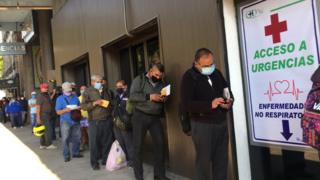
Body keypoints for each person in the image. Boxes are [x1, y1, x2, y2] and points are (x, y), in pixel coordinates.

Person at [180, 48, 233, 180]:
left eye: (212, 64)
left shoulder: (217, 73)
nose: (210, 67)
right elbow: (187, 104)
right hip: (202, 125)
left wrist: (229, 102)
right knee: (203, 164)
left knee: (221, 162)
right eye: (206, 66)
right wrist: (210, 104)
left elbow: (227, 91)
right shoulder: (189, 77)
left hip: (220, 123)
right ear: (196, 63)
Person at [129, 61, 169, 180]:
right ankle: (139, 176)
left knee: (160, 145)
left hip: (155, 117)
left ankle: (159, 175)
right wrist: (150, 96)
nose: (158, 77)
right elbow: (132, 96)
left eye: (160, 75)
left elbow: (166, 97)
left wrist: (164, 98)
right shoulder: (139, 80)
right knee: (138, 147)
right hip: (140, 116)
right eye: (156, 75)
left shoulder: (162, 83)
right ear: (150, 71)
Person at [81, 75, 114, 170]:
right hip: (95, 121)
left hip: (107, 119)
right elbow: (83, 106)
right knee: (94, 143)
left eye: (101, 81)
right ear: (92, 82)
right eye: (98, 82)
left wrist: (109, 106)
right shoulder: (87, 91)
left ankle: (105, 159)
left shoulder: (106, 90)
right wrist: (94, 103)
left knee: (107, 141)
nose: (100, 83)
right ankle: (94, 163)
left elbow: (111, 103)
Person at [56, 82, 83, 162]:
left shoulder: (75, 97)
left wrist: (78, 108)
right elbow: (58, 112)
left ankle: (76, 152)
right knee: (65, 138)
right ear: (63, 90)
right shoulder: (60, 99)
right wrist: (65, 110)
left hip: (75, 120)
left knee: (77, 137)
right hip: (65, 121)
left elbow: (80, 106)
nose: (69, 92)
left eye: (70, 90)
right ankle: (66, 155)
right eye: (67, 91)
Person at [113, 80, 134, 167]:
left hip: (125, 123)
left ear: (125, 86)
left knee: (129, 142)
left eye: (120, 86)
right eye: (117, 86)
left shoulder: (129, 95)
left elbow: (130, 110)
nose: (118, 88)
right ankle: (127, 159)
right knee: (121, 142)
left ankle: (133, 161)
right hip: (116, 123)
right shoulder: (117, 96)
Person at [36, 83, 57, 150]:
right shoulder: (40, 96)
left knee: (43, 129)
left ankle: (43, 144)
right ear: (41, 88)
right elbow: (38, 107)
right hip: (44, 115)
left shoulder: (46, 95)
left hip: (47, 115)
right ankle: (49, 144)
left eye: (47, 87)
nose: (46, 88)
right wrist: (38, 117)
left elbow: (49, 100)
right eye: (45, 87)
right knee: (48, 130)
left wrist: (53, 94)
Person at [79, 85, 89, 151]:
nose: (83, 90)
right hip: (81, 118)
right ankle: (82, 145)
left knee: (89, 133)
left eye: (84, 89)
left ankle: (91, 145)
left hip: (89, 118)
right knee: (82, 133)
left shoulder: (89, 98)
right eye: (82, 89)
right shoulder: (78, 98)